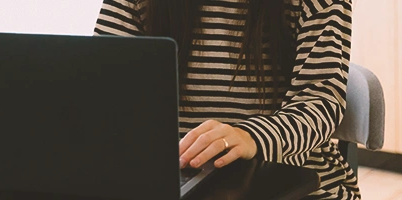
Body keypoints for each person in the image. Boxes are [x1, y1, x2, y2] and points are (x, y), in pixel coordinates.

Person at [94, 0, 357, 199]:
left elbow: (320, 104)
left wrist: (250, 136)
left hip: (292, 182)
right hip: (176, 179)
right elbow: (101, 92)